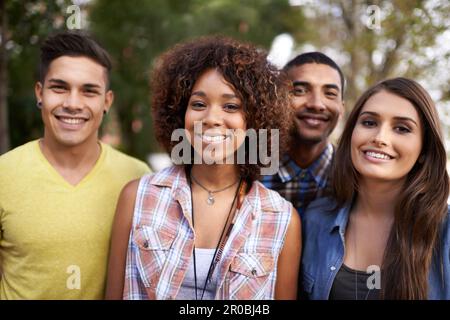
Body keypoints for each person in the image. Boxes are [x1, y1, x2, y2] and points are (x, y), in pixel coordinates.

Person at [105, 36, 301, 300]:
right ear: (178, 114)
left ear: (255, 120)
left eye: (231, 106)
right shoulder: (137, 198)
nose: (211, 119)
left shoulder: (280, 219)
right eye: (198, 104)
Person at [0, 31, 150, 299]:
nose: (72, 103)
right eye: (59, 88)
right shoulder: (4, 174)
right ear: (40, 93)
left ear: (106, 102)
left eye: (89, 91)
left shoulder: (139, 179)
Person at [300, 77, 450, 299]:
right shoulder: (315, 219)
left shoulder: (445, 232)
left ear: (424, 150)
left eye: (401, 128)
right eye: (369, 123)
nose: (380, 138)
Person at [261, 52, 345, 217]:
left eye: (330, 94)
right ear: (277, 101)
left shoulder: (353, 179)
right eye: (300, 91)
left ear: (342, 108)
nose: (316, 104)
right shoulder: (246, 167)